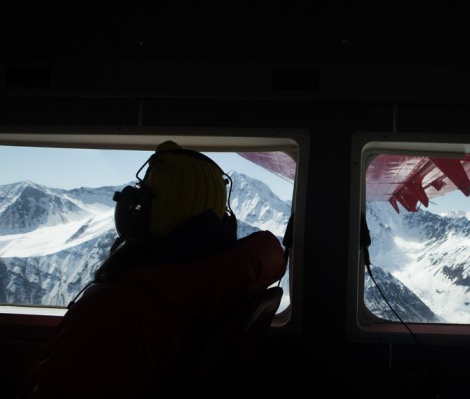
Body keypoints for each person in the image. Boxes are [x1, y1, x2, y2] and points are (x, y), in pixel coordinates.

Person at [17, 140, 287, 399]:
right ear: (223, 219)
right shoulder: (226, 283)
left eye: (141, 198)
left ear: (140, 214)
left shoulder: (113, 313)